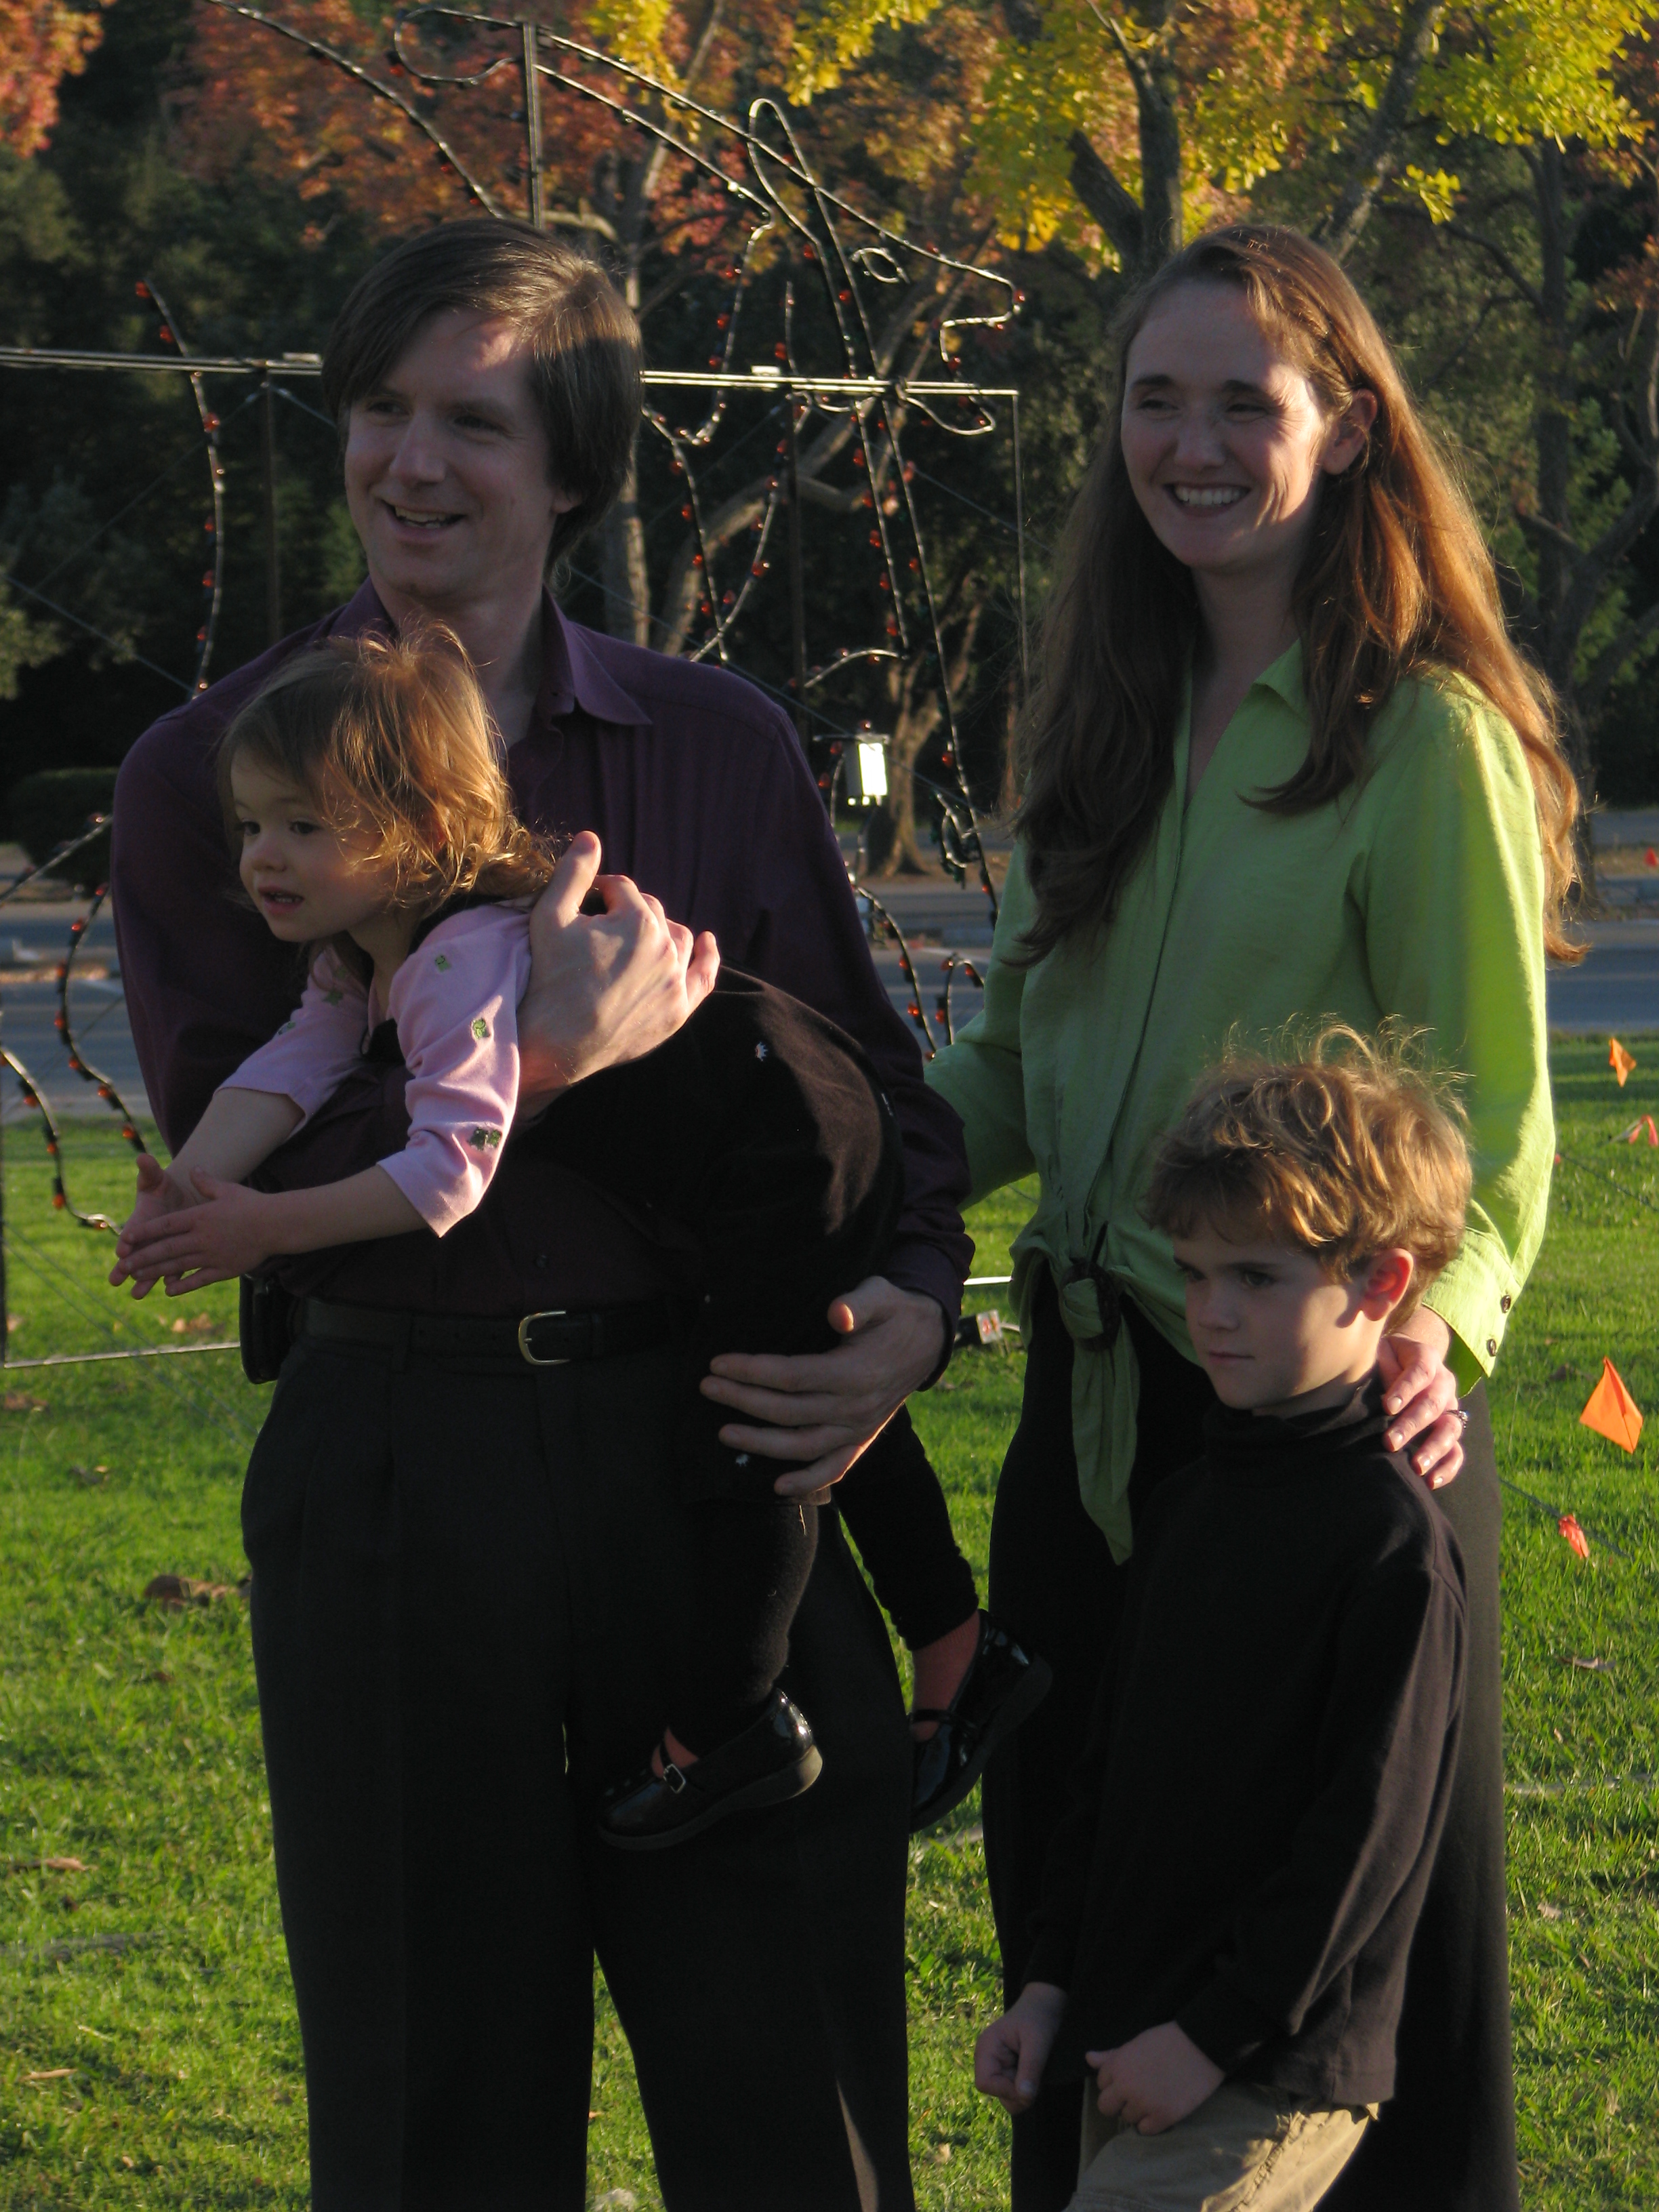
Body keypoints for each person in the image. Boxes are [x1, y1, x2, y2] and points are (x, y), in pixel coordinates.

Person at [110, 217, 980, 2211]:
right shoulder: (216, 772)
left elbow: (881, 1104)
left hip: (713, 1452)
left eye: (475, 423)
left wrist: (919, 1314)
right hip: (398, 1473)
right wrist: (554, 1072)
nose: (411, 462)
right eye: (381, 409)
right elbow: (245, 1163)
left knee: (798, 2117)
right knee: (439, 2118)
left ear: (575, 469)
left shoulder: (718, 749)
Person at [916, 224, 1575, 2212]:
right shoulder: (1097, 723)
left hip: (1320, 1426)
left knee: (1321, 1964)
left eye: (1243, 403)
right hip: (1096, 1422)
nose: (1190, 446)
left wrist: (1434, 1325)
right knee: (1092, 1938)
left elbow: (1494, 1117)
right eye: (1154, 401)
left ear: (1347, 425)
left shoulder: (1422, 738)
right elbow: (1014, 1067)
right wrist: (841, 1183)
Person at [113, 630, 1044, 1849]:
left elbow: (450, 1171)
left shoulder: (455, 961)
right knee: (815, 1380)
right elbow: (290, 1070)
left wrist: (262, 1228)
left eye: (303, 825)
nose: (262, 858)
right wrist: (189, 1188)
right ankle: (961, 1643)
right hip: (742, 1148)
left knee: (759, 1421)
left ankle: (731, 1725)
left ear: (421, 832)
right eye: (249, 826)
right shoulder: (361, 953)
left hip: (791, 1144)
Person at [975, 1036, 1469, 2211]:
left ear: (1381, 1283)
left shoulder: (1389, 1542)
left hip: (1260, 2065)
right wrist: (1048, 1984)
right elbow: (1111, 1777)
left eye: (1256, 1278)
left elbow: (1366, 1840)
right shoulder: (1190, 1502)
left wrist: (1214, 2036)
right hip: (1129, 2031)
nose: (1213, 1313)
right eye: (1195, 1275)